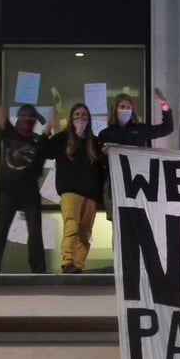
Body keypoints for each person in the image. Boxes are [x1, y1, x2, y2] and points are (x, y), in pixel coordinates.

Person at [0, 72, 49, 274]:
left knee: (35, 233)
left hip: (29, 192)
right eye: (23, 116)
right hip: (8, 190)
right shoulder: (9, 133)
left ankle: (39, 272)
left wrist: (52, 125)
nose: (27, 119)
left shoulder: (39, 141)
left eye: (30, 117)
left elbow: (47, 140)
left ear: (35, 121)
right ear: (18, 118)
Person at [46, 103, 104, 273]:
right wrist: (48, 129)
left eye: (84, 115)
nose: (80, 118)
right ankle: (67, 261)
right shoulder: (62, 139)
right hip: (70, 191)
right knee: (71, 226)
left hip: (90, 194)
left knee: (85, 232)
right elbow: (47, 152)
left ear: (89, 119)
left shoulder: (94, 142)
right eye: (77, 114)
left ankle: (78, 265)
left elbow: (101, 168)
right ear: (71, 118)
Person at [97, 89, 173, 218]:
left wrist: (164, 105)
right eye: (122, 107)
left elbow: (167, 128)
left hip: (138, 182)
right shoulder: (105, 134)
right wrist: (105, 155)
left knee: (138, 220)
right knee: (117, 221)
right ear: (115, 109)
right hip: (114, 183)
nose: (126, 110)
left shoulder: (140, 129)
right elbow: (100, 162)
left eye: (129, 107)